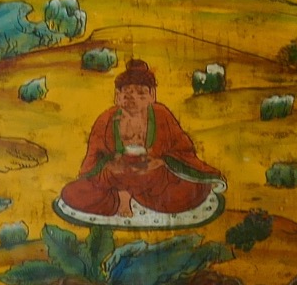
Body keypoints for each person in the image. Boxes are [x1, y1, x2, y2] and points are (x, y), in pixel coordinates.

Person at [59, 59, 225, 218]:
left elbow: (183, 149)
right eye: (127, 93)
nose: (134, 98)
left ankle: (133, 196)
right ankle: (121, 198)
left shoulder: (162, 115)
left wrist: (160, 162)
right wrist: (111, 164)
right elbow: (93, 158)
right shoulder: (106, 119)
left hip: (152, 177)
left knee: (192, 192)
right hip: (115, 176)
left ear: (152, 95)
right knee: (71, 193)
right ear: (117, 96)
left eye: (141, 93)